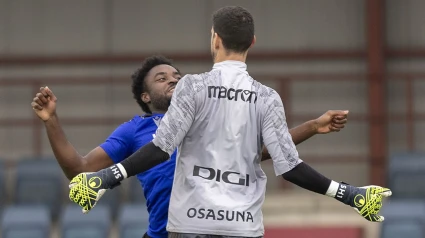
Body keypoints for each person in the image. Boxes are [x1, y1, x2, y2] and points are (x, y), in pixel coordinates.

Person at [69, 6, 391, 238]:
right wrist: (350, 194)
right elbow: (290, 167)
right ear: (252, 43)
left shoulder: (192, 87)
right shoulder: (267, 98)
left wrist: (103, 179)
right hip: (242, 227)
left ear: (215, 39)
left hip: (191, 225)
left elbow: (160, 148)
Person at [32, 55, 348, 238]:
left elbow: (263, 152)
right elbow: (80, 170)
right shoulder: (135, 130)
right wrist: (51, 120)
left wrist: (312, 127)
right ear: (145, 97)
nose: (173, 79)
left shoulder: (212, 117)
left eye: (177, 75)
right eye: (161, 78)